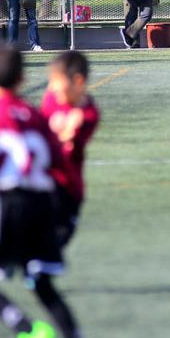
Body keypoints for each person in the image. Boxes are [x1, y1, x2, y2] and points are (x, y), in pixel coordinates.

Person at [0, 46, 103, 338]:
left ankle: (28, 331)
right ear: (23, 79)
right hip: (44, 202)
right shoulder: (35, 114)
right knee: (40, 281)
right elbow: (52, 153)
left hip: (19, 203)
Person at [41, 51, 101, 248]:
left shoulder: (88, 114)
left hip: (70, 187)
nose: (53, 86)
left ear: (78, 81)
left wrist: (68, 131)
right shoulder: (52, 99)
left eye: (57, 81)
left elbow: (67, 150)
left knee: (62, 236)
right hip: (44, 184)